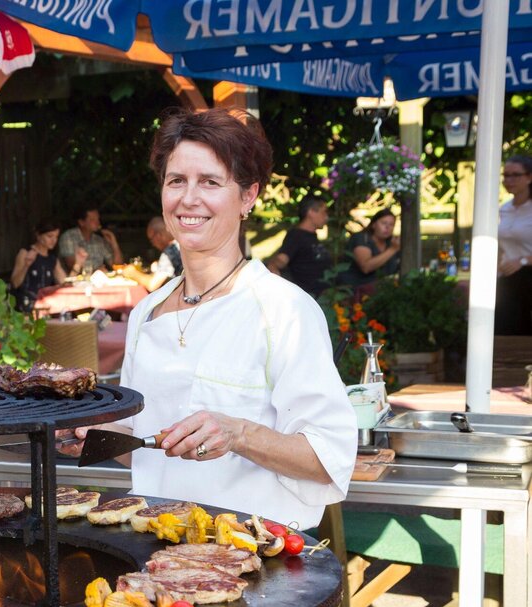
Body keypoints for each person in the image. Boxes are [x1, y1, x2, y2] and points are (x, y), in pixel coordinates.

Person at [67, 108, 355, 529]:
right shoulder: (148, 310)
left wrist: (238, 434)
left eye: (210, 182)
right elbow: (147, 445)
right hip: (155, 543)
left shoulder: (282, 309)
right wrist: (89, 437)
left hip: (253, 551)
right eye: (176, 181)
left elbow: (329, 459)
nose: (189, 198)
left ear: (248, 197)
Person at [266, 195, 333, 296]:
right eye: (324, 212)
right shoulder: (296, 235)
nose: (326, 217)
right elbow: (281, 259)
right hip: (309, 296)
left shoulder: (312, 236)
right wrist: (273, 266)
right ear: (311, 212)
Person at [497, 155, 532, 335]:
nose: (509, 180)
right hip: (507, 278)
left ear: (529, 177)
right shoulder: (504, 209)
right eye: (506, 175)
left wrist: (523, 261)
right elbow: (502, 244)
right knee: (503, 329)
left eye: (515, 175)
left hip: (528, 275)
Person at [337, 208, 401, 294]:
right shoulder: (362, 238)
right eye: (384, 223)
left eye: (391, 224)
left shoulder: (392, 243)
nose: (387, 227)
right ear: (373, 224)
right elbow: (366, 267)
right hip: (354, 292)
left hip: (382, 292)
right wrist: (392, 250)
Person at [10, 219, 68, 313]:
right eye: (49, 236)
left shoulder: (52, 259)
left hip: (45, 306)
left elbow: (65, 283)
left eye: (56, 237)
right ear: (38, 235)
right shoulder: (25, 253)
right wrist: (26, 265)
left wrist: (77, 264)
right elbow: (15, 283)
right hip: (26, 305)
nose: (53, 240)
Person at [123, 216, 183, 292]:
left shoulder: (170, 251)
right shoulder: (182, 243)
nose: (153, 244)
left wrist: (133, 273)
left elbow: (153, 285)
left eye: (151, 239)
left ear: (159, 235)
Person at [58, 208, 123, 274]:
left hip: (98, 277)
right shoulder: (69, 237)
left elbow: (118, 266)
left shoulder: (99, 240)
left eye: (98, 219)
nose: (97, 222)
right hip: (77, 279)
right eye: (92, 219)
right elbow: (71, 266)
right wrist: (95, 272)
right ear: (81, 222)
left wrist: (114, 243)